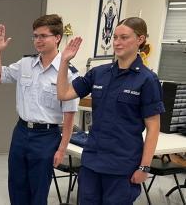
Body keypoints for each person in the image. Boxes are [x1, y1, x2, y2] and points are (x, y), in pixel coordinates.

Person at [57, 17, 164, 204]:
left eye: (123, 37)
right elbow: (64, 93)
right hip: (92, 162)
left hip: (122, 166)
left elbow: (153, 127)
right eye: (115, 37)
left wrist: (145, 167)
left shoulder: (147, 80)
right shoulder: (99, 73)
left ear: (140, 39)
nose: (116, 42)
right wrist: (64, 61)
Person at [0, 14, 78, 205]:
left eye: (43, 36)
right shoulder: (25, 64)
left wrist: (62, 149)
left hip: (46, 137)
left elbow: (69, 116)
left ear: (57, 37)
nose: (38, 40)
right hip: (21, 132)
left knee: (38, 190)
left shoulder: (69, 74)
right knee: (16, 185)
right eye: (35, 36)